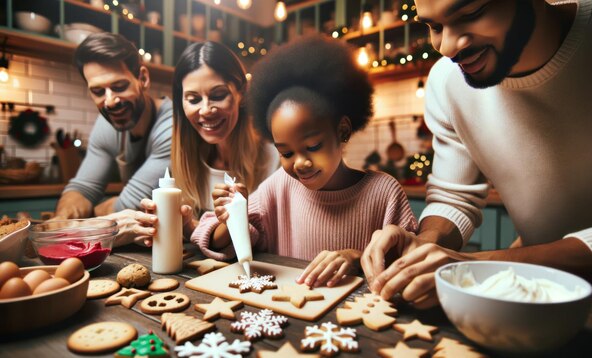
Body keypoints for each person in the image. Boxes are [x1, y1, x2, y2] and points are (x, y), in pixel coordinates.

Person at [361, 0, 592, 308]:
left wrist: (474, 264)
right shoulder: (446, 83)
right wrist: (422, 248)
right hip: (537, 295)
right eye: (434, 27)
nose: (446, 47)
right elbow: (453, 199)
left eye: (471, 14)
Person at [192, 36, 418, 288]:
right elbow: (209, 237)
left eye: (312, 147)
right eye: (286, 153)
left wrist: (356, 258)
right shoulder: (278, 188)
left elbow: (412, 262)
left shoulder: (384, 193)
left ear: (342, 131)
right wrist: (233, 216)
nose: (300, 163)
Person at [133, 41, 279, 246]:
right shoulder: (187, 160)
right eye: (193, 99)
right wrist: (173, 226)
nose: (205, 110)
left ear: (242, 94)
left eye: (218, 95)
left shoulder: (276, 159)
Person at [54, 32, 173, 220]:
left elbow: (128, 205)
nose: (110, 102)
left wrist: (85, 217)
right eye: (98, 91)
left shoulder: (171, 125)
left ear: (143, 79)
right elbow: (83, 189)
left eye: (119, 86)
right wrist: (61, 220)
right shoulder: (107, 125)